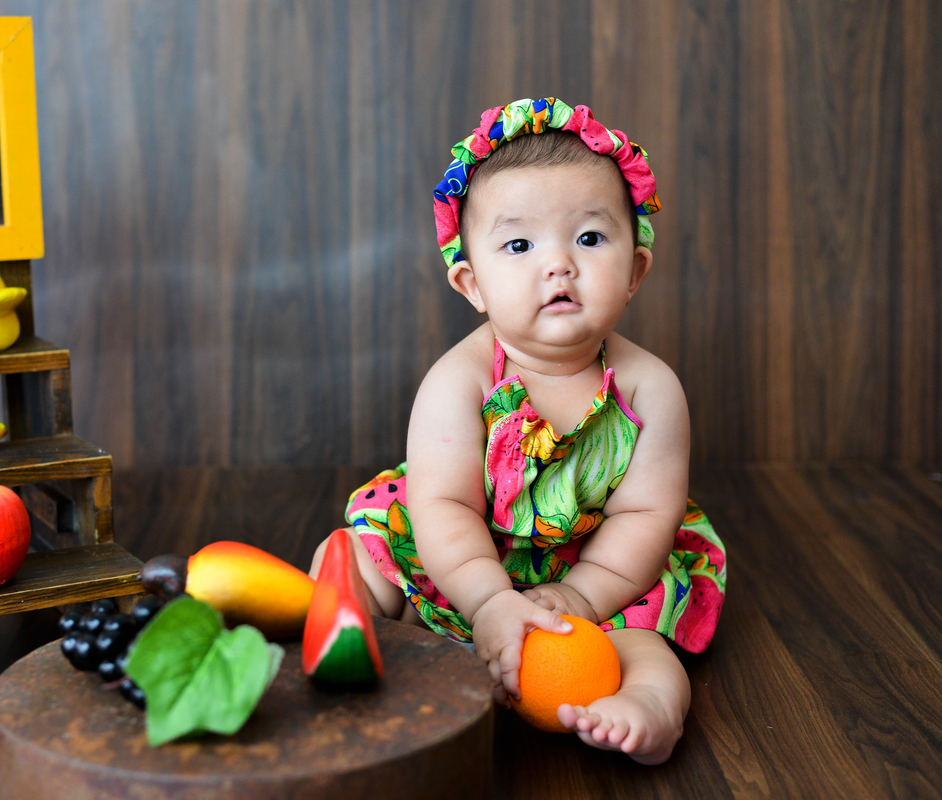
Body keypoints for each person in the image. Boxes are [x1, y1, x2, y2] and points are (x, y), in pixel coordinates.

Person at [310, 97, 726, 764]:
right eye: (520, 244)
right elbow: (442, 505)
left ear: (636, 272)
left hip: (594, 567)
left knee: (646, 645)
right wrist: (487, 599)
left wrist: (583, 595)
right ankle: (352, 649)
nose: (558, 264)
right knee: (361, 557)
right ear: (472, 283)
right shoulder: (460, 381)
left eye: (590, 238)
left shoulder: (651, 390)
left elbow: (647, 514)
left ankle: (651, 711)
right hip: (461, 554)